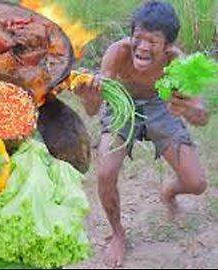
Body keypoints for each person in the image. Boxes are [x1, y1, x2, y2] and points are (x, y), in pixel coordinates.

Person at [74, 1, 209, 267]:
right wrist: (88, 98)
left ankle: (169, 193)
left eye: (153, 41)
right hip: (122, 105)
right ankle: (118, 235)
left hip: (161, 107)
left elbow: (201, 117)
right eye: (138, 38)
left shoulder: (176, 63)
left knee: (196, 184)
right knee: (105, 172)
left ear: (167, 45)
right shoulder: (117, 53)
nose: (143, 47)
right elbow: (93, 110)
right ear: (131, 35)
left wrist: (191, 108)